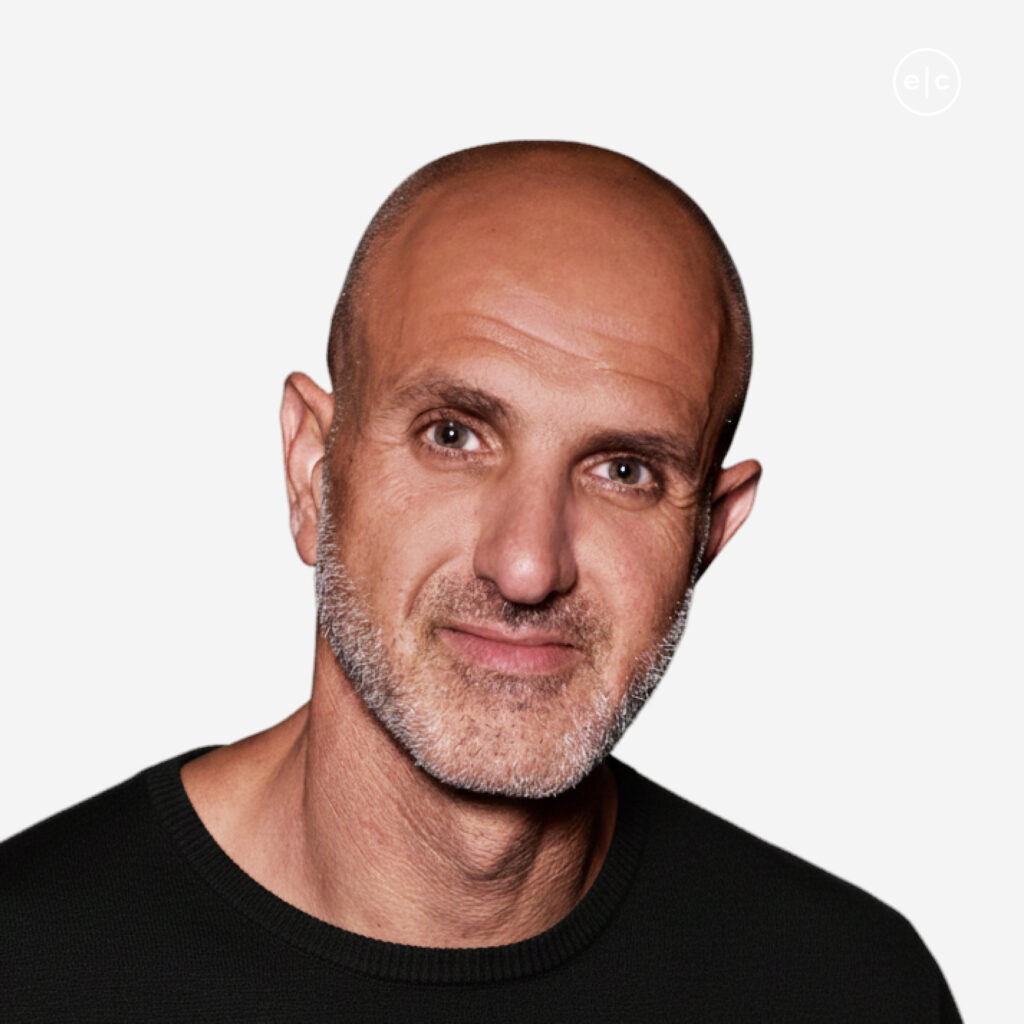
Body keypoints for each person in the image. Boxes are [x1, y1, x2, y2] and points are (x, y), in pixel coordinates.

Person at [0, 141, 961, 1021]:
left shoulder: (849, 990)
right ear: (311, 471)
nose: (528, 566)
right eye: (453, 435)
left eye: (624, 470)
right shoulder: (28, 964)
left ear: (709, 532)